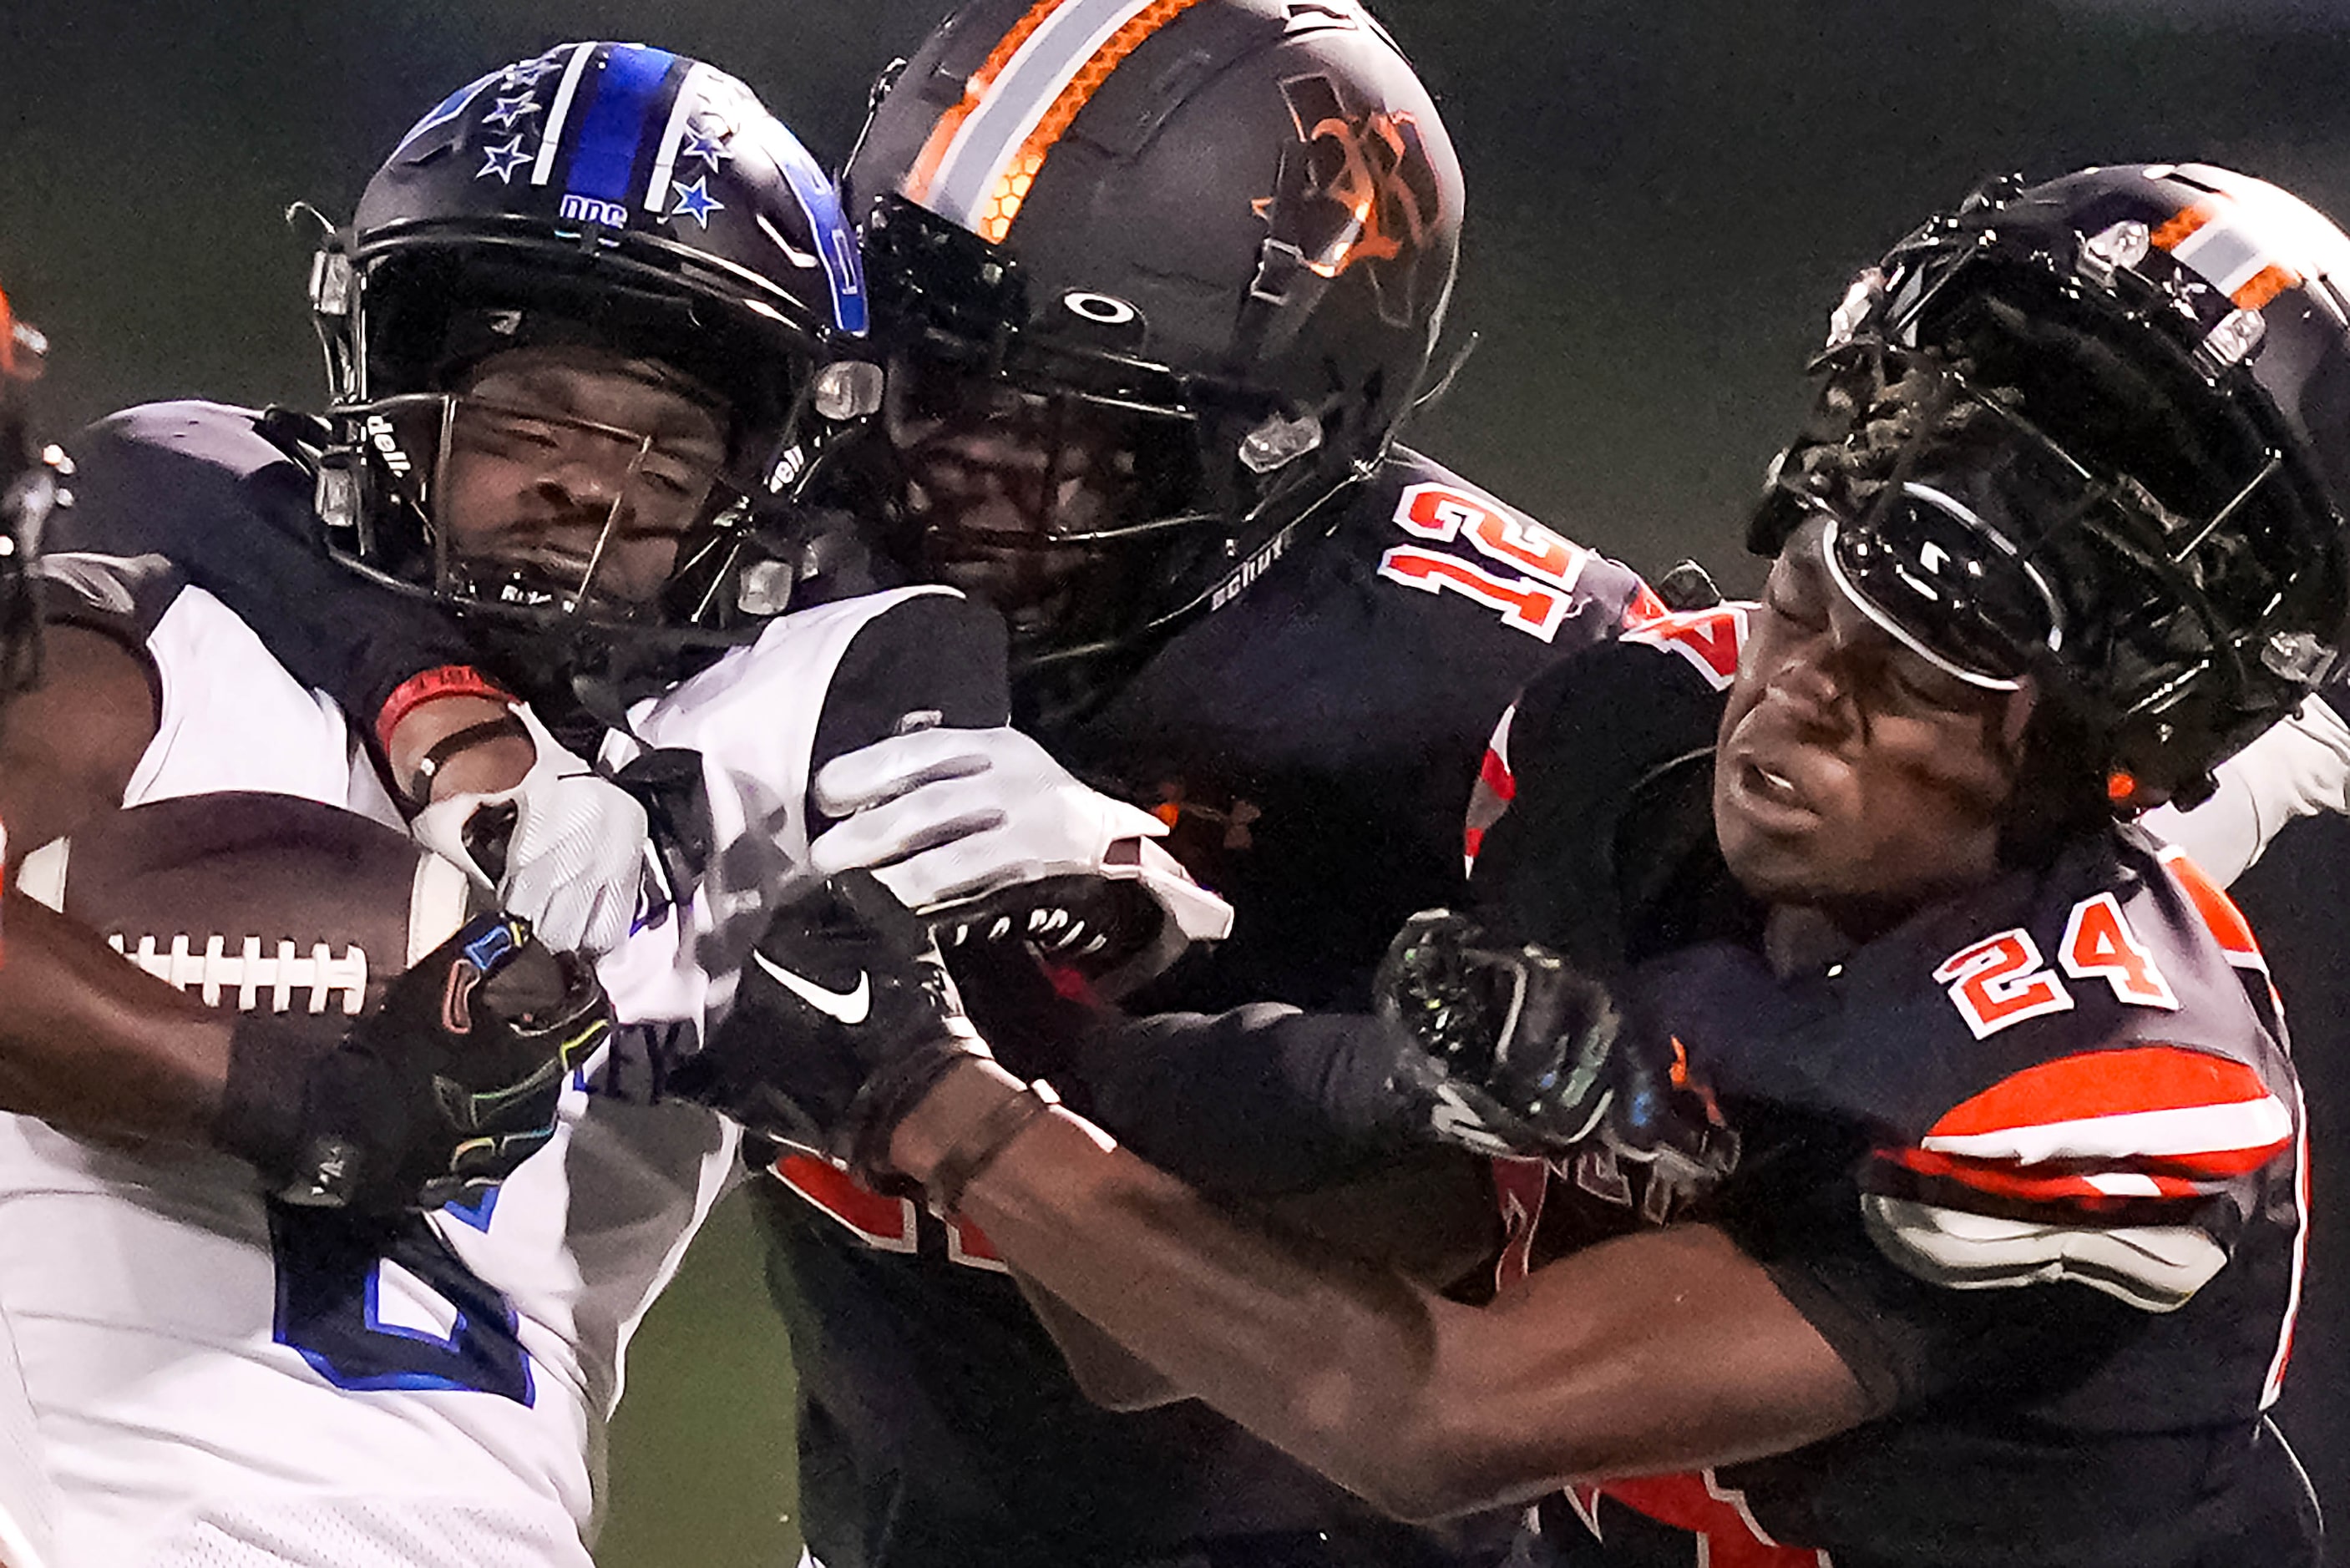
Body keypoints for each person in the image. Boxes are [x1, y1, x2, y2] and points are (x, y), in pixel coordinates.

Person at [691, 161, 2350, 1566]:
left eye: (1908, 675)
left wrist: (928, 1097)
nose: (1791, 702)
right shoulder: (1628, 749)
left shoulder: (2118, 1084)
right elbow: (1138, 1345)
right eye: (1807, 603)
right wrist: (1305, 1047)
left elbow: (1436, 1421)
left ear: (2102, 728)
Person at [2, 44, 1049, 1568]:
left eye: (663, 450)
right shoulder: (170, 644)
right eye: (529, 423)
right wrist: (298, 1100)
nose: (582, 487)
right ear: (406, 416)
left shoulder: (767, 773)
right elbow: (180, 457)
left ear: (760, 490)